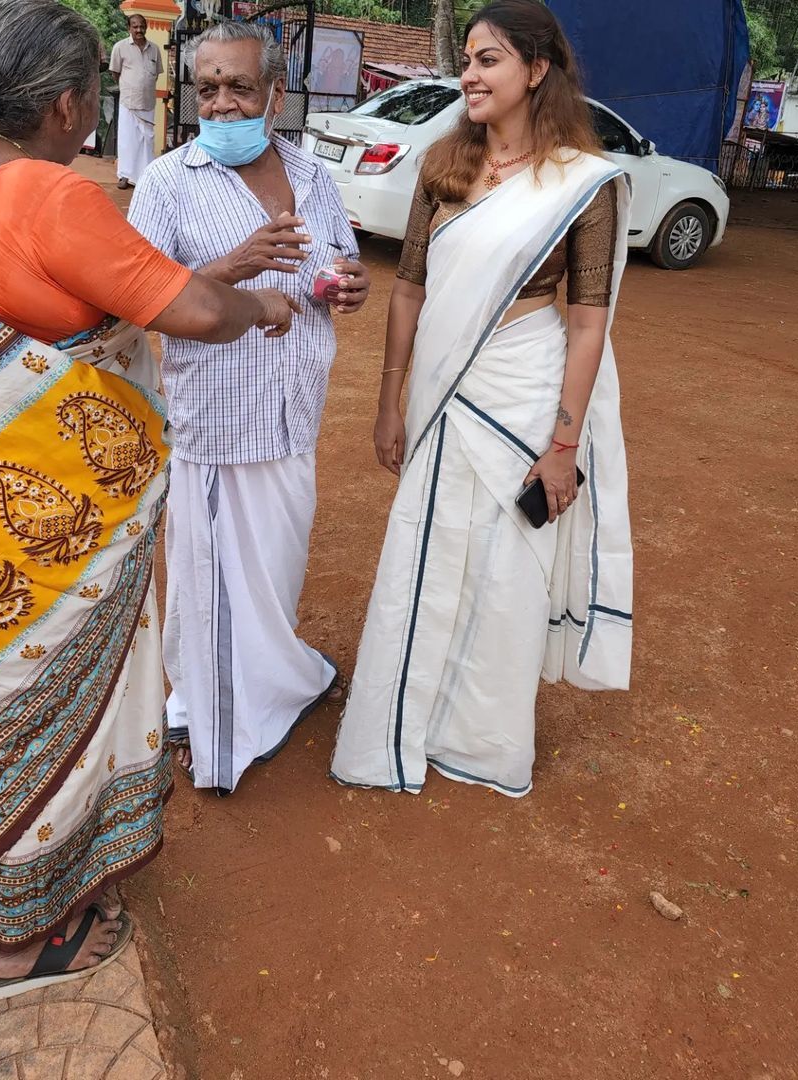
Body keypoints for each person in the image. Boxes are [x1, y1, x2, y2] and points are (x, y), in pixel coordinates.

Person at [0, 0, 297, 1002]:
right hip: (27, 562)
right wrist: (258, 303)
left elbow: (61, 301)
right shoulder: (50, 196)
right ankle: (16, 946)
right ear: (73, 100)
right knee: (45, 715)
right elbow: (196, 314)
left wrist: (194, 277)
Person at [330, 0, 632, 798]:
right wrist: (389, 402)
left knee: (507, 569)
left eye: (489, 58)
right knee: (421, 556)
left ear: (537, 71)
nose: (469, 73)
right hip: (439, 392)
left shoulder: (582, 184)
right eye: (466, 58)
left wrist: (563, 447)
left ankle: (480, 742)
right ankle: (396, 729)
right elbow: (408, 294)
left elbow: (590, 325)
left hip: (526, 391)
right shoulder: (444, 166)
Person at [128, 20, 371, 796]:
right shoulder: (170, 181)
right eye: (208, 88)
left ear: (274, 93)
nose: (224, 104)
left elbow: (340, 258)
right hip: (219, 418)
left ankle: (270, 682)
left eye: (239, 86)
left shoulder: (313, 174)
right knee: (212, 581)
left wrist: (350, 282)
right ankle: (218, 718)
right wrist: (231, 268)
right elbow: (137, 301)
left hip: (293, 410)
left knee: (274, 569)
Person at [110, 13, 161, 189]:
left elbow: (154, 76)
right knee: (127, 139)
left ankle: (145, 176)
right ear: (129, 28)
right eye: (135, 26)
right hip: (128, 102)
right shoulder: (120, 47)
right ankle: (124, 175)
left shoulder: (154, 49)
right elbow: (115, 73)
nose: (139, 30)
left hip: (147, 102)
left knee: (146, 139)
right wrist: (129, 87)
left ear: (146, 27)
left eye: (141, 26)